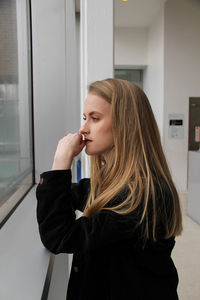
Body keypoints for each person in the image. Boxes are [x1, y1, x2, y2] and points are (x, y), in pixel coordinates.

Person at [36, 78, 183, 300]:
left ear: (127, 124)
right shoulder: (113, 181)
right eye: (85, 118)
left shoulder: (141, 194)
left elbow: (59, 237)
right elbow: (76, 193)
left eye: (95, 118)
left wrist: (61, 161)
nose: (83, 129)